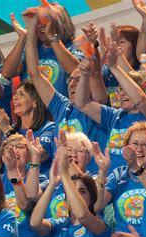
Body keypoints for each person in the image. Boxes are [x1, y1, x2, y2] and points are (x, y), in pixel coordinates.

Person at [22, 11, 107, 174]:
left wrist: (93, 46)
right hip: (60, 179)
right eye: (70, 80)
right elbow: (34, 73)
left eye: (78, 79)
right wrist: (31, 30)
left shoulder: (96, 106)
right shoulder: (61, 105)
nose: (73, 84)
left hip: (89, 178)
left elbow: (95, 74)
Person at [0, 133, 44, 237]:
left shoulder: (40, 180)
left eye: (20, 147)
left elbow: (25, 203)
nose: (14, 152)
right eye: (9, 148)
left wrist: (13, 172)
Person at [0, 80, 55, 176]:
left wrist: (6, 129)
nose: (15, 98)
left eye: (21, 94)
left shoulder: (49, 128)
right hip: (9, 186)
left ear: (35, 101)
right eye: (15, 94)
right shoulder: (11, 129)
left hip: (36, 184)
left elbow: (37, 155)